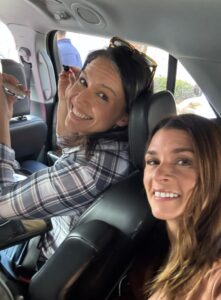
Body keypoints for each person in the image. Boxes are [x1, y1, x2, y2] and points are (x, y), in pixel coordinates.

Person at [0, 37, 157, 261]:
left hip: (36, 259)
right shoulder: (119, 148)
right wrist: (66, 98)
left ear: (124, 116)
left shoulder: (88, 172)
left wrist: (3, 116)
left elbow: (1, 202)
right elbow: (68, 146)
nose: (80, 98)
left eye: (102, 95)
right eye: (83, 82)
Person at [117, 113, 221, 300]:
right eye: (153, 161)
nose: (158, 174)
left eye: (183, 162)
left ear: (215, 172)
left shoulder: (215, 278)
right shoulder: (151, 240)